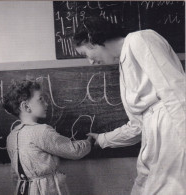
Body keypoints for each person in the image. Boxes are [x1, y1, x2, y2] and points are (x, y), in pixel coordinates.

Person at [73, 17, 186, 195]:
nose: (90, 62)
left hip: (173, 132)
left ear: (92, 41)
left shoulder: (139, 39)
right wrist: (103, 139)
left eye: (85, 54)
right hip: (155, 139)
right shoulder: (123, 67)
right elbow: (138, 126)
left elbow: (176, 92)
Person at [3, 80, 92, 195]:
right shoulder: (41, 131)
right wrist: (89, 142)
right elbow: (74, 150)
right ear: (26, 106)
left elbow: (15, 174)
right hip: (46, 190)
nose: (46, 103)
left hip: (22, 190)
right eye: (41, 99)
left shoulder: (12, 135)